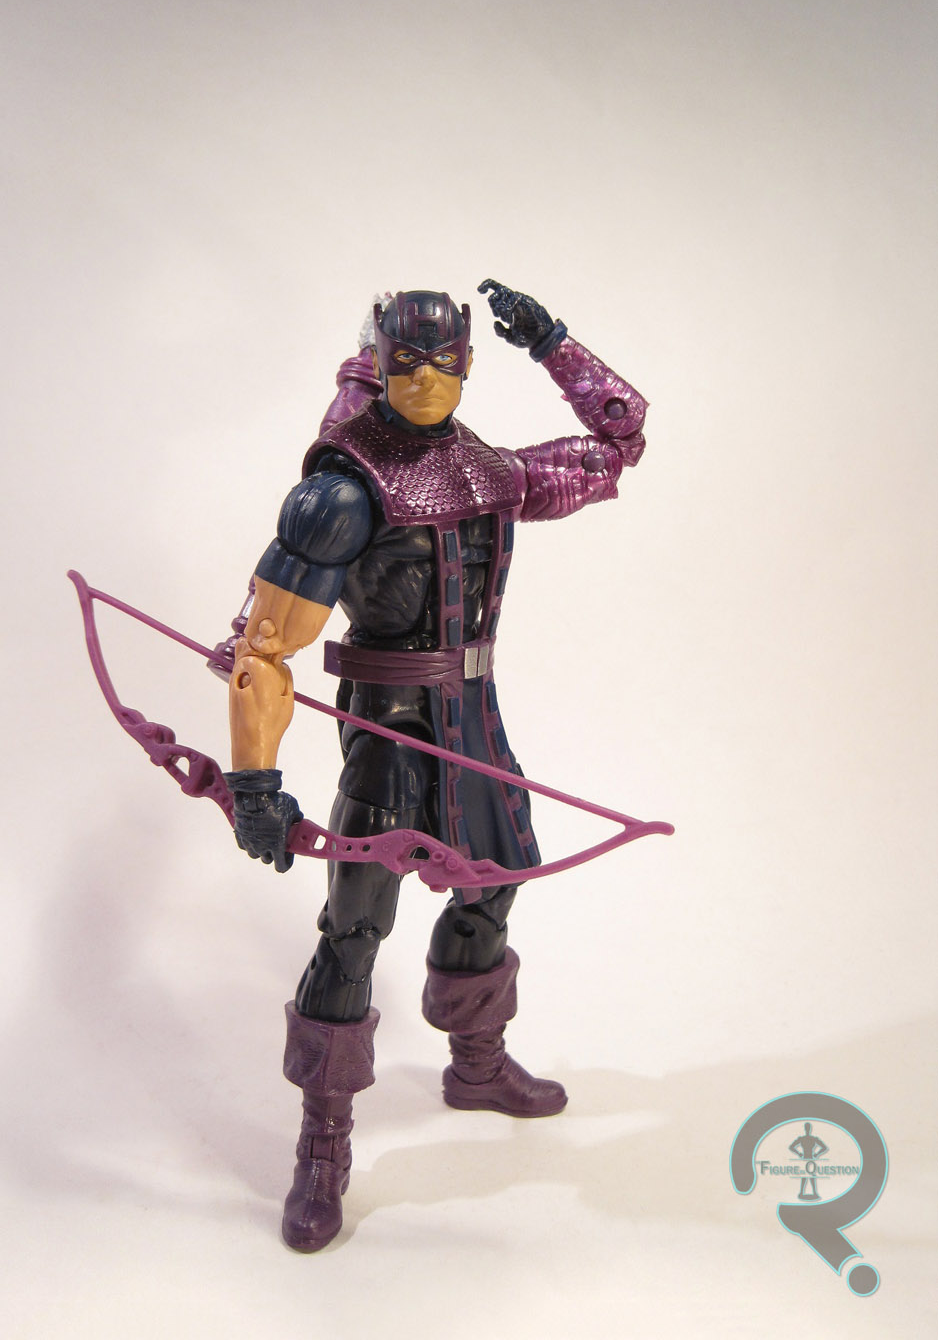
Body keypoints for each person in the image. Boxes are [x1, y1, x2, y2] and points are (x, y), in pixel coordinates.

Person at [222, 280, 648, 1250]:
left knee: (495, 881)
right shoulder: (341, 493)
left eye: (442, 363)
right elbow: (265, 650)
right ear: (379, 363)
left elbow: (620, 440)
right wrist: (255, 783)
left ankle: (476, 1062)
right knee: (354, 925)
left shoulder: (493, 473)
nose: (424, 381)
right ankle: (323, 1141)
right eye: (404, 363)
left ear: (467, 364)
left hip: (475, 717)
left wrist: (555, 344)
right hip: (389, 729)